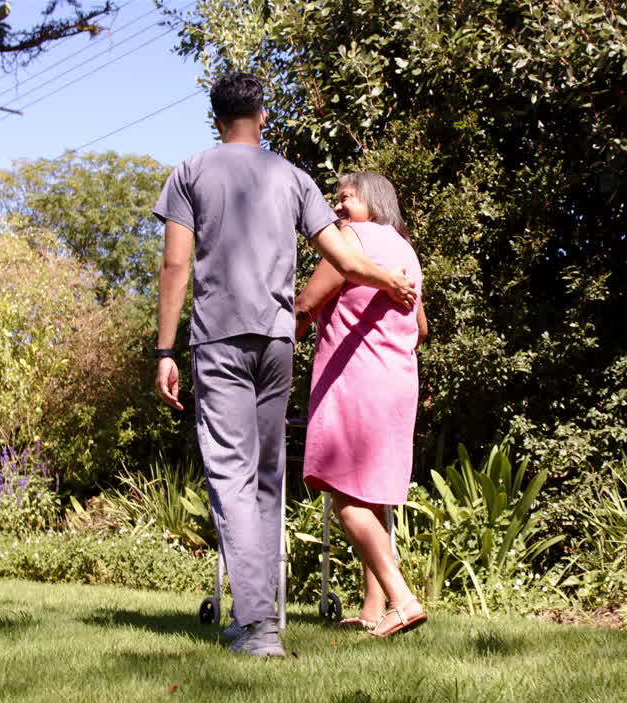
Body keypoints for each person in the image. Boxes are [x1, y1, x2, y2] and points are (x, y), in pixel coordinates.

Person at [152, 73, 417, 658]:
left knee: (230, 474)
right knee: (266, 476)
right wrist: (386, 277)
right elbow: (344, 255)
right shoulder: (292, 177)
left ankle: (257, 628)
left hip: (220, 337)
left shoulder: (190, 172)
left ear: (216, 120)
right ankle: (259, 618)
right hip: (276, 342)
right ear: (263, 116)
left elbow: (176, 266)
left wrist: (165, 350)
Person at [295, 171, 428, 638]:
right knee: (372, 497)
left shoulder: (349, 240)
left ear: (372, 200)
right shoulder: (405, 250)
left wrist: (271, 353)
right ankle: (375, 610)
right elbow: (422, 328)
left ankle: (402, 598)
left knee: (344, 498)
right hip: (397, 384)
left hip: (355, 381)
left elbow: (307, 305)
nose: (338, 208)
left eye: (346, 199)